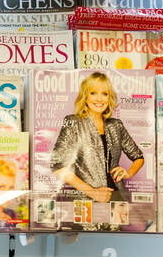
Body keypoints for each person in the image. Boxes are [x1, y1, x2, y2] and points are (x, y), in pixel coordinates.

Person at [49, 72, 145, 206]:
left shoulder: (116, 125)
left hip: (117, 199)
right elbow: (58, 166)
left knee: (116, 226)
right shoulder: (73, 122)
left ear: (109, 97)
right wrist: (93, 192)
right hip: (85, 201)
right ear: (85, 96)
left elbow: (138, 157)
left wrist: (128, 173)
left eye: (104, 94)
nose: (99, 99)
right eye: (93, 93)